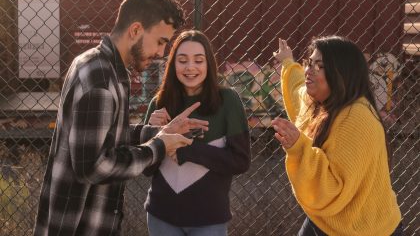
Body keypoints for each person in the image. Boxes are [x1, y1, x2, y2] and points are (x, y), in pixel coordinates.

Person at [33, 0, 209, 236]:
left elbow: (101, 135)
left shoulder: (95, 64)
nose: (161, 52)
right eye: (160, 42)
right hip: (79, 227)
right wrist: (160, 147)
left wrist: (158, 133)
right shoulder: (101, 80)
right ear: (136, 29)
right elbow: (94, 166)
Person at [271, 36, 402, 236]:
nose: (308, 70)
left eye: (320, 66)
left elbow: (333, 187)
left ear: (341, 73)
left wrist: (298, 147)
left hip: (364, 229)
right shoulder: (320, 102)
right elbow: (298, 90)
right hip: (329, 220)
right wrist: (288, 62)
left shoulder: (356, 118)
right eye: (310, 63)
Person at [142, 30, 251, 236]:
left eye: (198, 60)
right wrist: (153, 134)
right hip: (161, 217)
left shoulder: (228, 100)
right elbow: (146, 169)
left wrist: (189, 150)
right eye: (182, 60)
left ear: (209, 64)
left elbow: (240, 161)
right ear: (173, 65)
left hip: (209, 220)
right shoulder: (158, 104)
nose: (190, 67)